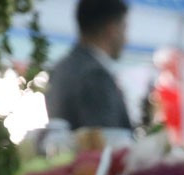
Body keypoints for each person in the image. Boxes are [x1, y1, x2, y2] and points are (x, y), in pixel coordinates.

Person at [45, 0, 133, 131]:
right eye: (124, 29)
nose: (127, 40)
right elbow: (109, 142)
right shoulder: (95, 75)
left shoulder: (60, 68)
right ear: (112, 29)